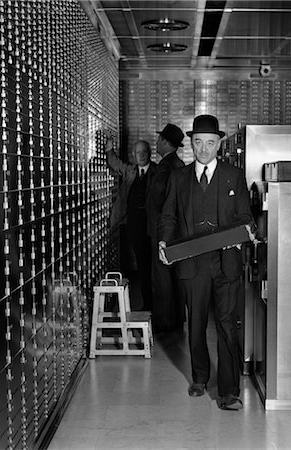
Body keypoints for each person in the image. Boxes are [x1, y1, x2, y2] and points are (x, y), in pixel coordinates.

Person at [158, 115, 254, 411]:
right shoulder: (179, 177)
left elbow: (245, 217)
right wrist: (164, 240)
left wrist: (240, 235)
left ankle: (229, 391)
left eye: (210, 143)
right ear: (191, 143)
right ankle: (199, 377)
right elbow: (169, 216)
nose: (203, 149)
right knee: (196, 322)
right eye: (198, 142)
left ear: (219, 144)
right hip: (192, 262)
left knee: (227, 325)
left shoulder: (234, 176)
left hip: (226, 263)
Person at [105, 135, 157, 310]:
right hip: (135, 226)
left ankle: (160, 305)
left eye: (144, 152)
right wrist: (109, 148)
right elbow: (115, 163)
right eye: (138, 153)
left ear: (149, 153)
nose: (141, 156)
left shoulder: (158, 171)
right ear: (134, 155)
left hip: (153, 226)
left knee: (156, 267)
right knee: (142, 266)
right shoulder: (130, 170)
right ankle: (148, 303)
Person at [146, 124, 185, 332]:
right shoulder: (179, 164)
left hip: (162, 231)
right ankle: (176, 320)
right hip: (176, 231)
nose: (157, 143)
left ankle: (164, 323)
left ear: (164, 142)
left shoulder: (165, 167)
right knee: (174, 277)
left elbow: (160, 201)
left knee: (162, 279)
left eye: (159, 139)